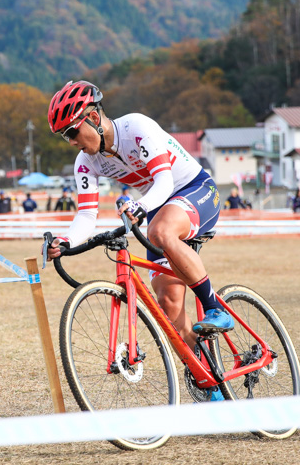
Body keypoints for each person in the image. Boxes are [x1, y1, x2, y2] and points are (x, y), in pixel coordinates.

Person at [45, 81, 231, 400]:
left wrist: (140, 205)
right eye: (65, 137)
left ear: (92, 116)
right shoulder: (85, 162)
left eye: (72, 132)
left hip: (194, 190)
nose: (71, 142)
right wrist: (65, 240)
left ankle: (216, 308)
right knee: (169, 306)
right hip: (156, 207)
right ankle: (208, 377)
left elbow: (164, 180)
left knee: (160, 231)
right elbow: (87, 216)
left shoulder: (136, 127)